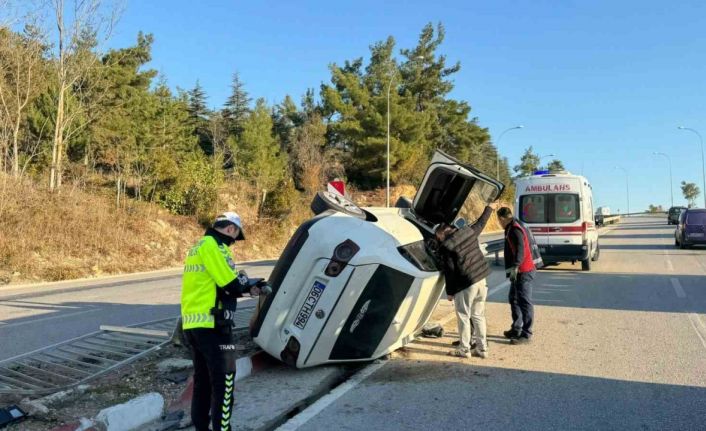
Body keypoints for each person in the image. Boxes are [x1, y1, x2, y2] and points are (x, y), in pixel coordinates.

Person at [181, 212, 266, 431]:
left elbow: (219, 285)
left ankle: (202, 426)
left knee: (203, 379)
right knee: (225, 379)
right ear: (231, 229)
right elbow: (230, 283)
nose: (233, 243)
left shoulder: (197, 247)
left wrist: (248, 287)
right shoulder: (215, 246)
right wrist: (249, 286)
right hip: (214, 325)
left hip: (194, 324)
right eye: (235, 237)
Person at [437, 202, 500, 359]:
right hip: (481, 280)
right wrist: (489, 208)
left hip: (466, 284)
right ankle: (482, 349)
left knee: (463, 316)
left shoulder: (447, 246)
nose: (438, 240)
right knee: (478, 315)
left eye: (438, 237)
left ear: (442, 234)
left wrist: (450, 292)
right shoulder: (468, 232)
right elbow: (481, 223)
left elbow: (450, 271)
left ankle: (464, 349)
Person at [497, 207, 536, 345]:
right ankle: (517, 328)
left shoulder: (514, 228)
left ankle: (526, 334)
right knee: (513, 298)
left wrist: (516, 266)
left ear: (501, 219)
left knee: (524, 301)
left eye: (499, 221)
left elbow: (521, 248)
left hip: (523, 270)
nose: (499, 224)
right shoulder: (511, 226)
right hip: (518, 270)